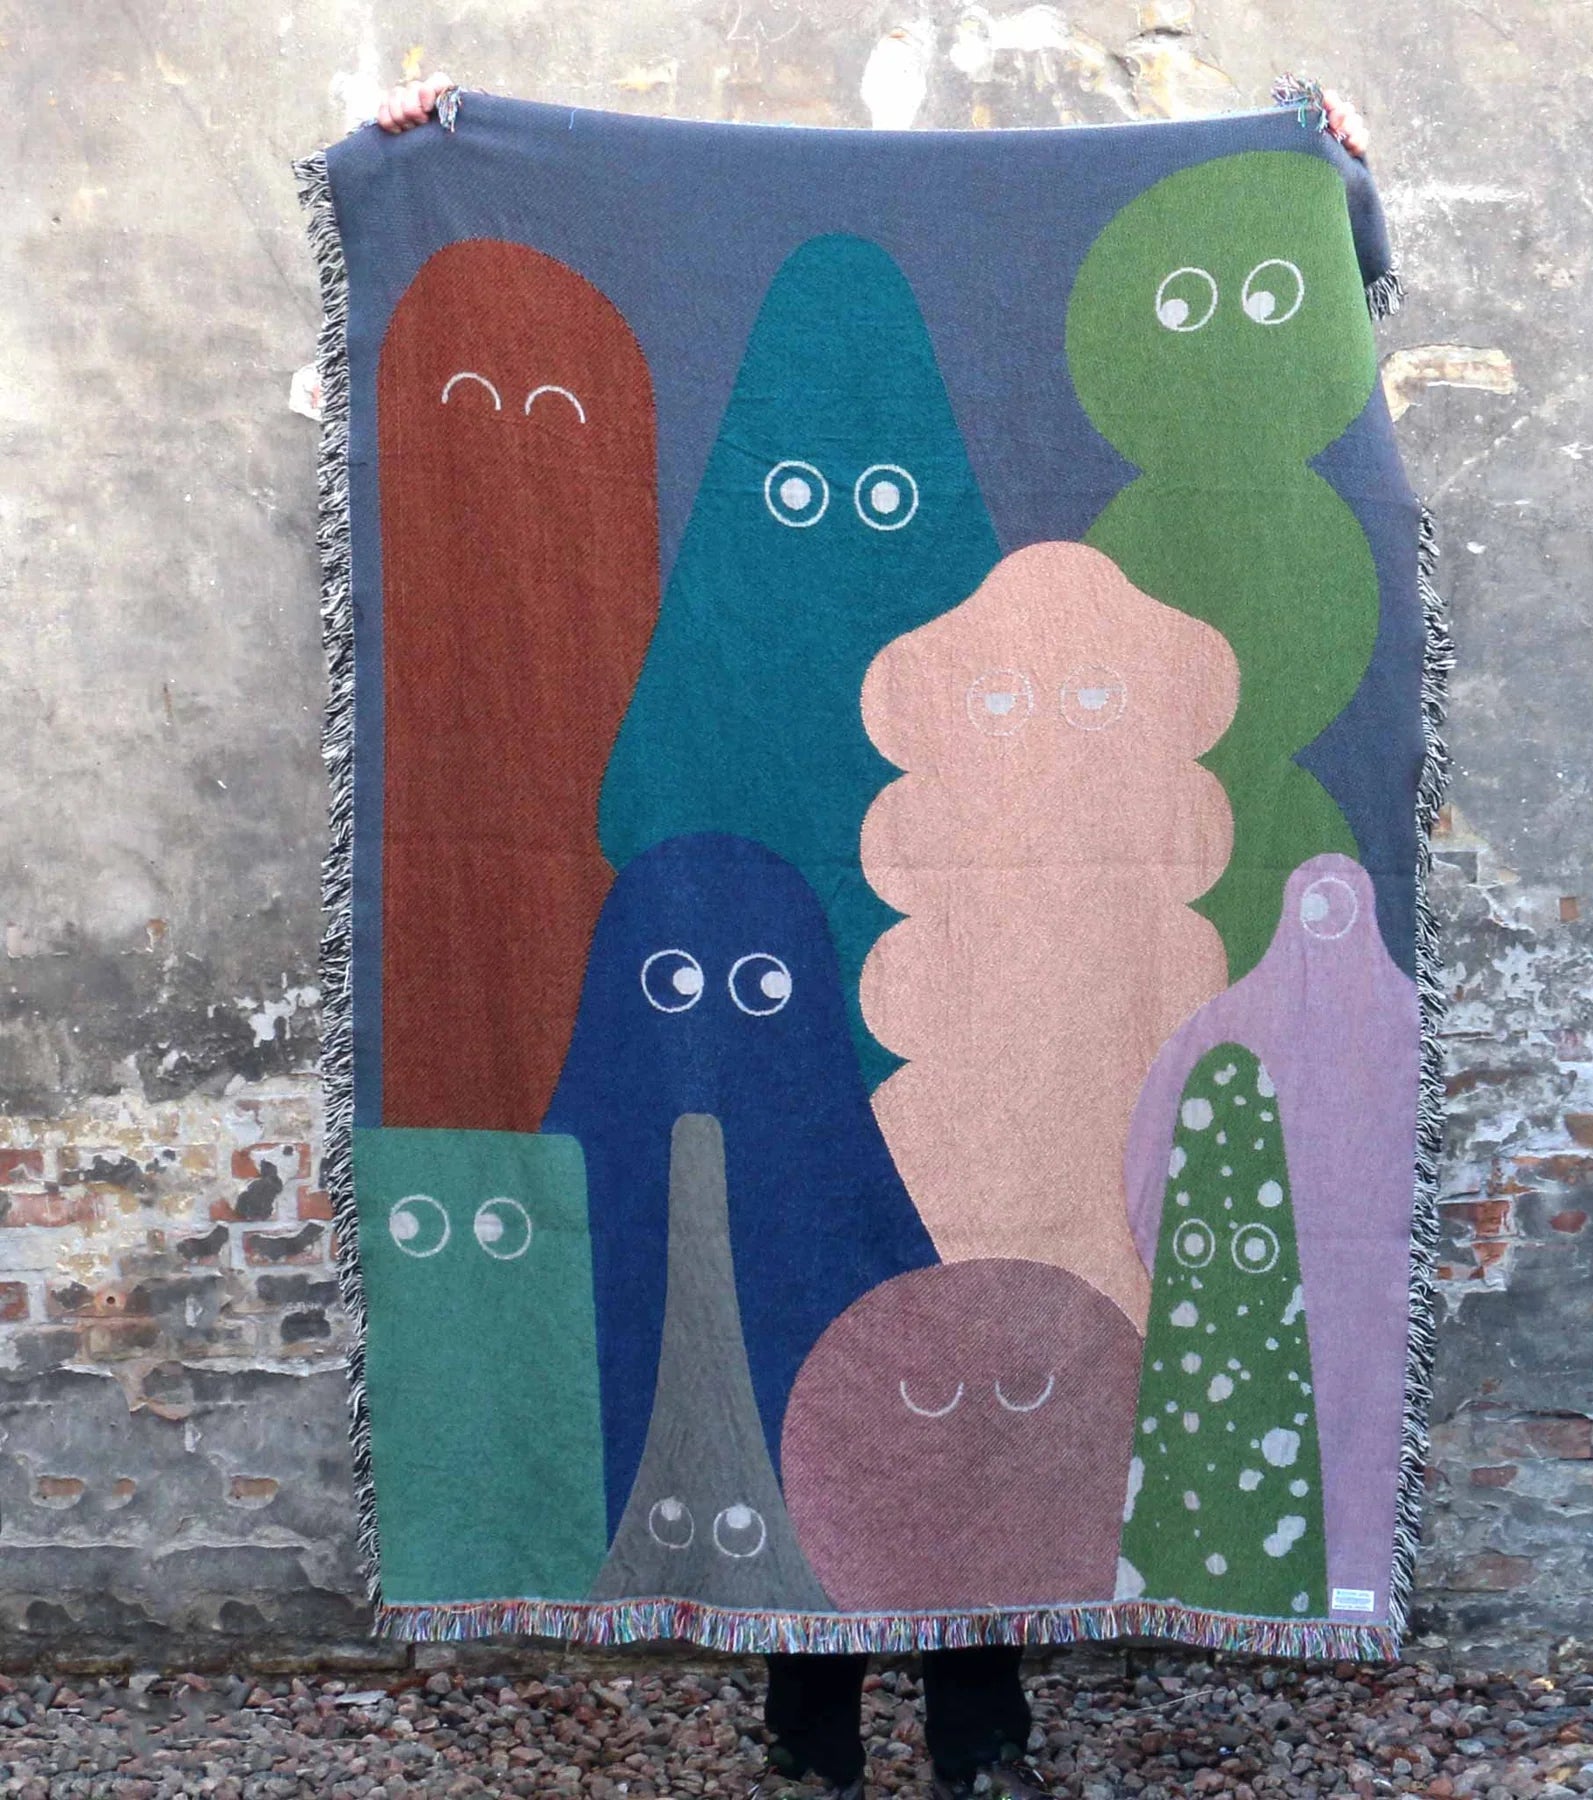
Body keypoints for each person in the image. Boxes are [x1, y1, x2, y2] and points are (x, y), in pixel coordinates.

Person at [373, 68, 1370, 1800]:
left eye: (880, 492)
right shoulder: (724, 668)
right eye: (799, 490)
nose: (838, 515)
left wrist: (1308, 167)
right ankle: (810, 1718)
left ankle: (981, 1715)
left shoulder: (972, 668)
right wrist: (436, 155)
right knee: (778, 1313)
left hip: (973, 1012)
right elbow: (641, 797)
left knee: (966, 1314)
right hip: (763, 1003)